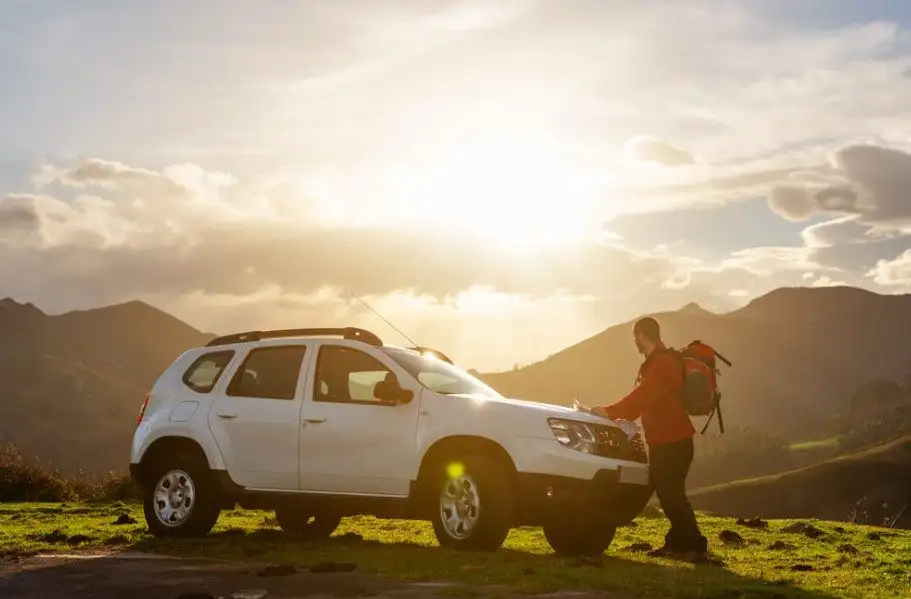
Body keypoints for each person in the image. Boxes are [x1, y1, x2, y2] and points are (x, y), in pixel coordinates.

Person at [591, 316, 708, 558]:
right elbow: (647, 401)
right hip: (667, 440)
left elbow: (642, 397)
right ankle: (677, 542)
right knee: (668, 492)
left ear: (642, 336)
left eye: (635, 337)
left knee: (671, 493)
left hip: (673, 441)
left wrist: (609, 412)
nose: (635, 341)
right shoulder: (661, 361)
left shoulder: (662, 363)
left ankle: (694, 545)